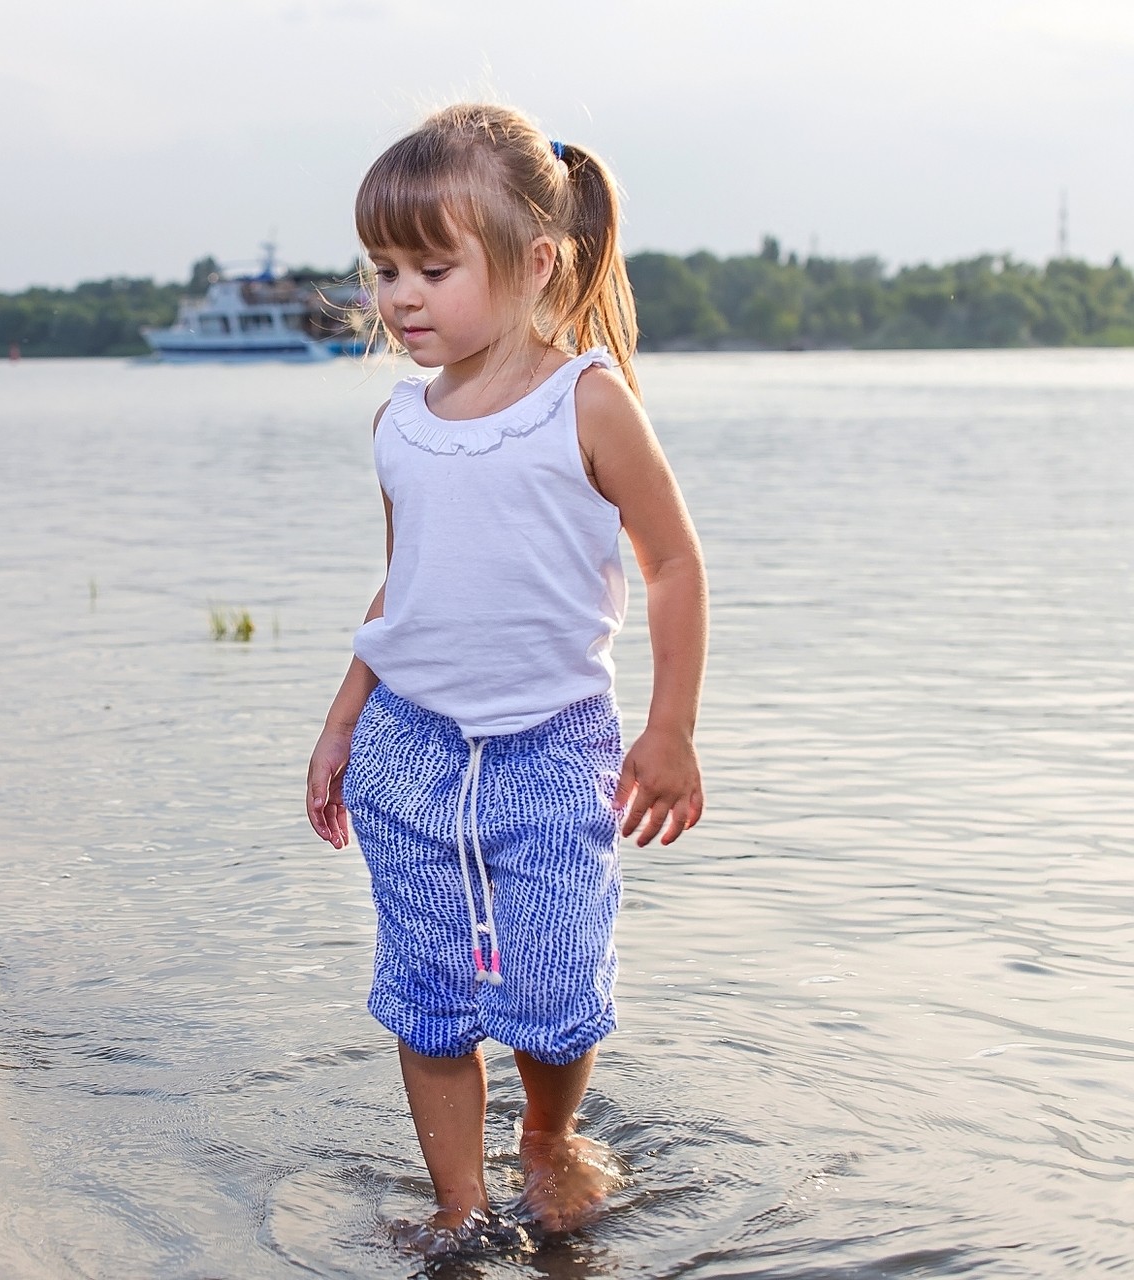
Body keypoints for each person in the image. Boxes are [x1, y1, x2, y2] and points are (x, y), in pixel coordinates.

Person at [304, 104, 709, 1248]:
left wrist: (670, 729)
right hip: (411, 748)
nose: (401, 295)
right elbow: (403, 595)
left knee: (551, 985)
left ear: (534, 262)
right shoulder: (400, 424)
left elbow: (674, 562)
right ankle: (458, 1204)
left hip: (550, 742)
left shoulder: (584, 399)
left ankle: (544, 1134)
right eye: (385, 267)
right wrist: (341, 725)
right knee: (428, 994)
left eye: (434, 265)